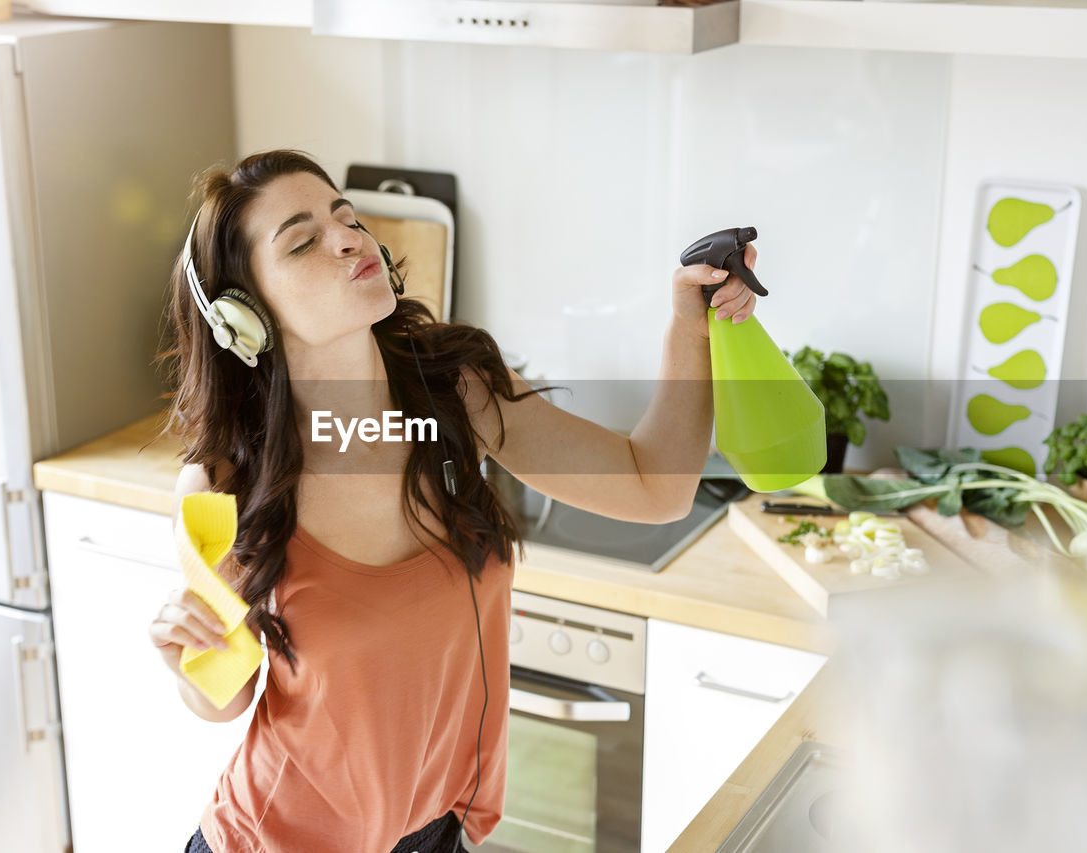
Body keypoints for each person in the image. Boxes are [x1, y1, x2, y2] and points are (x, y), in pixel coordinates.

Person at [147, 149, 758, 853]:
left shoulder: (452, 392)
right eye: (304, 240)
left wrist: (691, 325)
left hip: (436, 835)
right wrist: (185, 656)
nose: (348, 237)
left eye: (344, 216)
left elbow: (657, 486)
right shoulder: (226, 485)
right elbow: (224, 696)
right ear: (243, 315)